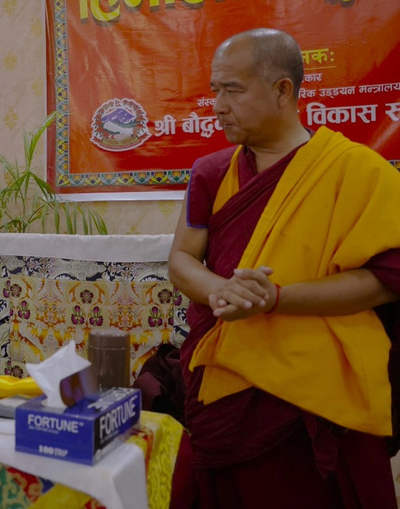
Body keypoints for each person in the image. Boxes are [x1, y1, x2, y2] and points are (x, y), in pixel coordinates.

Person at [167, 28, 400, 507]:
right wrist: (221, 291)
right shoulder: (211, 172)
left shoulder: (358, 171)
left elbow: (385, 280)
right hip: (230, 382)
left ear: (282, 91)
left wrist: (276, 299)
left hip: (319, 394)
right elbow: (183, 258)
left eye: (233, 89)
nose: (217, 104)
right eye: (215, 90)